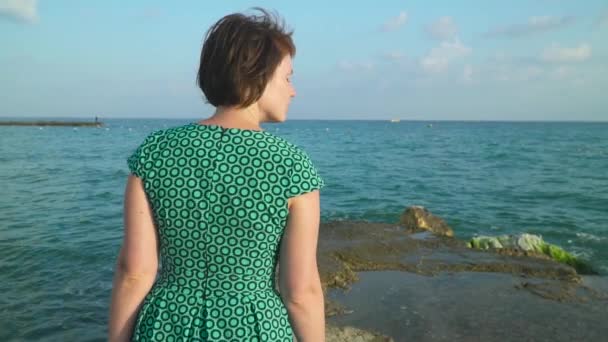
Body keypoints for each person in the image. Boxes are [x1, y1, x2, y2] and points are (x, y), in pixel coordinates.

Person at [108, 8, 326, 342]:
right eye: (287, 78)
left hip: (167, 326)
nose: (293, 91)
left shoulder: (154, 154)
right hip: (254, 328)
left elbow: (134, 273)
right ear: (259, 76)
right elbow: (300, 291)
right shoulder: (291, 167)